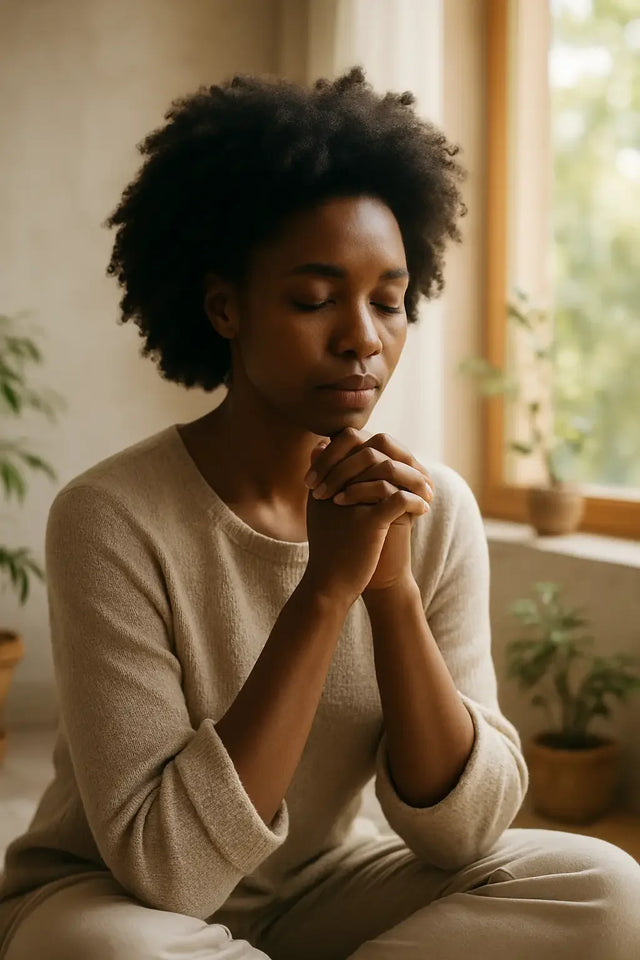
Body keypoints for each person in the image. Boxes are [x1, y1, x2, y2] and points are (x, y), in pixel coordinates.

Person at [1, 65, 639, 960]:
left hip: (328, 887)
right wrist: (326, 591)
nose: (362, 338)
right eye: (314, 299)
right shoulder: (111, 517)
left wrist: (391, 590)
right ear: (225, 306)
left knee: (606, 890)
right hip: (113, 897)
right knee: (112, 955)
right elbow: (169, 871)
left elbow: (466, 832)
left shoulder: (430, 509)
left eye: (389, 302)